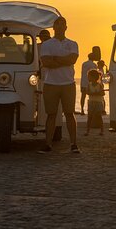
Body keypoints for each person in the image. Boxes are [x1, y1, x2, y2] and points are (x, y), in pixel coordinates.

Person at [39, 16, 80, 154]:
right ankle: (48, 144)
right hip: (51, 83)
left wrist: (55, 59)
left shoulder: (73, 43)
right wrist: (64, 60)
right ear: (54, 27)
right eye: (58, 24)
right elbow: (46, 62)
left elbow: (72, 59)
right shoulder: (46, 45)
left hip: (68, 83)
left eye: (63, 24)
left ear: (66, 27)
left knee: (69, 113)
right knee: (51, 114)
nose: (60, 26)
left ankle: (74, 144)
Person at [84, 69, 105, 136]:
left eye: (89, 76)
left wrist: (97, 93)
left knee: (99, 117)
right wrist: (94, 93)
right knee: (89, 117)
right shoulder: (89, 85)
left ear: (93, 77)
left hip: (98, 102)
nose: (88, 78)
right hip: (91, 102)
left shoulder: (100, 85)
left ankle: (102, 130)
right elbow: (87, 92)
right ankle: (87, 131)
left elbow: (103, 93)